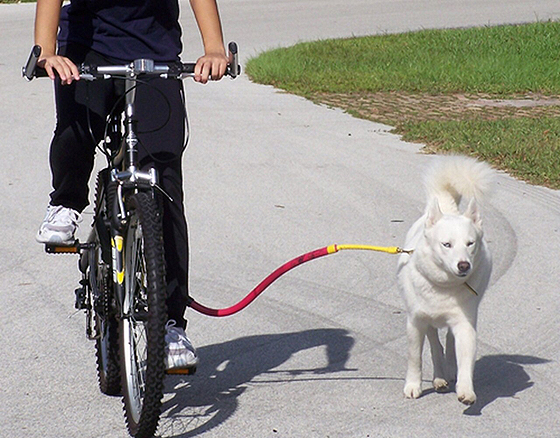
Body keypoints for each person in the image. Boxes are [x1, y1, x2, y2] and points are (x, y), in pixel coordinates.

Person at [33, 0, 229, 372]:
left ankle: (171, 326)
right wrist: (45, 53)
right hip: (87, 49)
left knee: (165, 186)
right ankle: (66, 202)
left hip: (154, 51)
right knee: (75, 133)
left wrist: (215, 48)